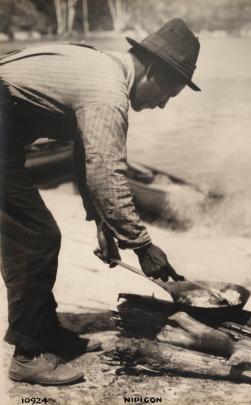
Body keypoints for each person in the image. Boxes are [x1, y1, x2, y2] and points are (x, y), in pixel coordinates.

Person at [0, 18, 201, 385]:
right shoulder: (108, 93)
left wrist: (102, 223)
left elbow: (86, 153)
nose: (162, 106)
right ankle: (28, 356)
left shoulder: (103, 68)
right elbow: (106, 174)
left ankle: (45, 333)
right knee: (36, 237)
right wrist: (142, 245)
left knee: (34, 234)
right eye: (167, 95)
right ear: (152, 71)